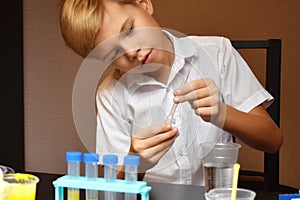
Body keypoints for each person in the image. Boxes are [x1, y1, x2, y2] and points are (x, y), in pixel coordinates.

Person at [59, 0, 283, 185]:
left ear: (144, 4)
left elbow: (273, 141)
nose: (131, 52)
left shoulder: (217, 53)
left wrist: (223, 114)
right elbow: (117, 191)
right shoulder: (109, 94)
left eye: (129, 30)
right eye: (113, 53)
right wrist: (136, 161)